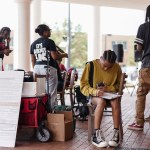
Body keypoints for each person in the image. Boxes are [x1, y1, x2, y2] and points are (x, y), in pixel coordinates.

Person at [80, 50, 122, 148]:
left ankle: (116, 134)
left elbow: (119, 85)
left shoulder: (116, 67)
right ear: (101, 58)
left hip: (110, 95)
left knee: (116, 101)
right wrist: (96, 92)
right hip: (94, 95)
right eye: (104, 65)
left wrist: (108, 88)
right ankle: (96, 135)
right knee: (101, 101)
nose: (106, 68)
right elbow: (83, 85)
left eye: (109, 66)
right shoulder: (90, 66)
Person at [30, 24, 68, 109]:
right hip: (48, 67)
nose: (50, 32)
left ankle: (41, 113)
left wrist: (36, 71)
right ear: (45, 32)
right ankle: (51, 113)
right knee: (51, 93)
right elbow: (54, 57)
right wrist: (64, 55)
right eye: (49, 30)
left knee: (40, 93)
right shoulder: (50, 42)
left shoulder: (33, 44)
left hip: (37, 68)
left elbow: (33, 60)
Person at [128, 5, 150, 131]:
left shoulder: (143, 27)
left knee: (141, 94)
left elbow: (139, 48)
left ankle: (139, 123)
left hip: (147, 65)